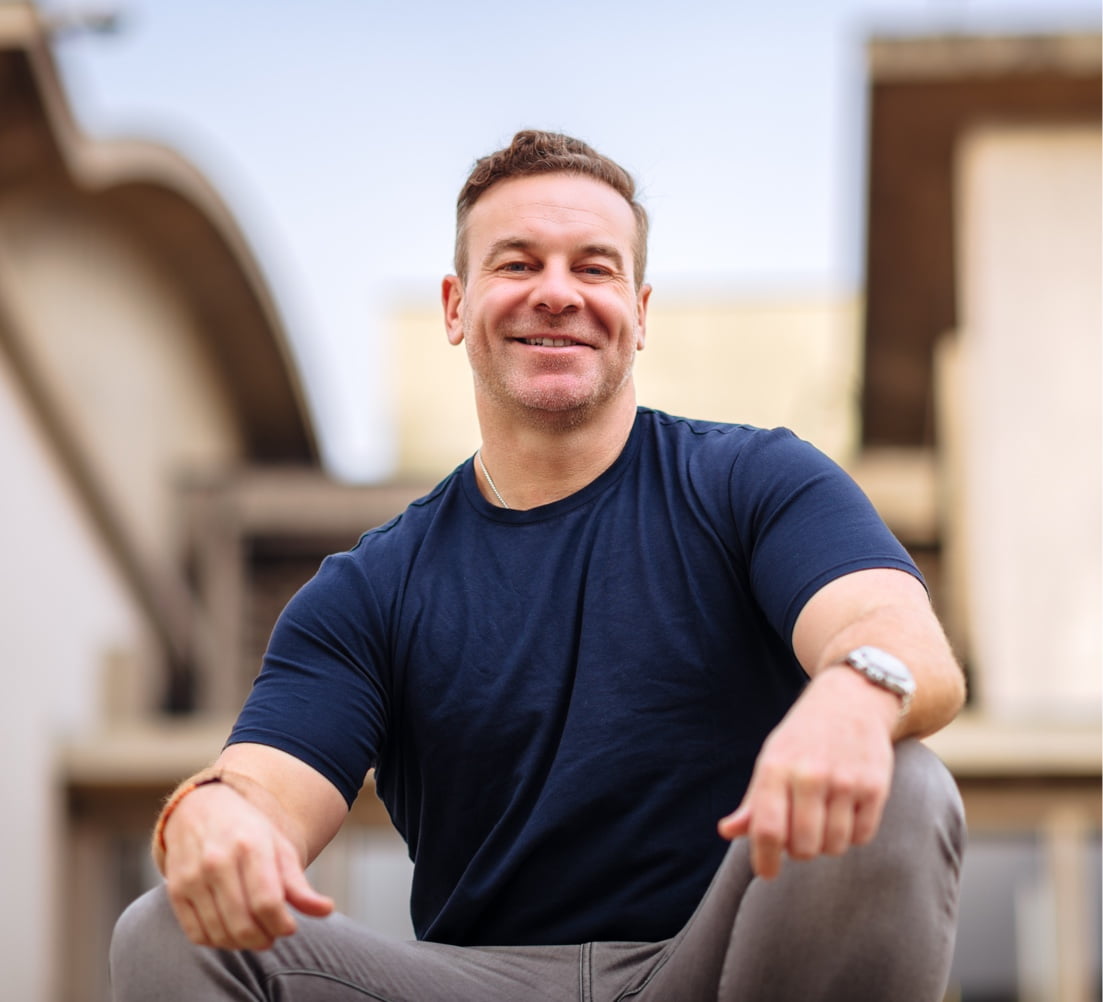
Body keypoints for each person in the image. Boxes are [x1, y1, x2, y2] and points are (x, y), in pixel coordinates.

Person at [110, 130, 966, 1002]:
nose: (557, 293)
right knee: (171, 929)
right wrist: (212, 817)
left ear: (638, 310)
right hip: (477, 983)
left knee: (898, 785)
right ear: (455, 305)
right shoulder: (367, 593)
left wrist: (854, 694)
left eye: (593, 269)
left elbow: (896, 634)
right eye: (518, 264)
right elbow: (262, 791)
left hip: (727, 962)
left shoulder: (755, 481)